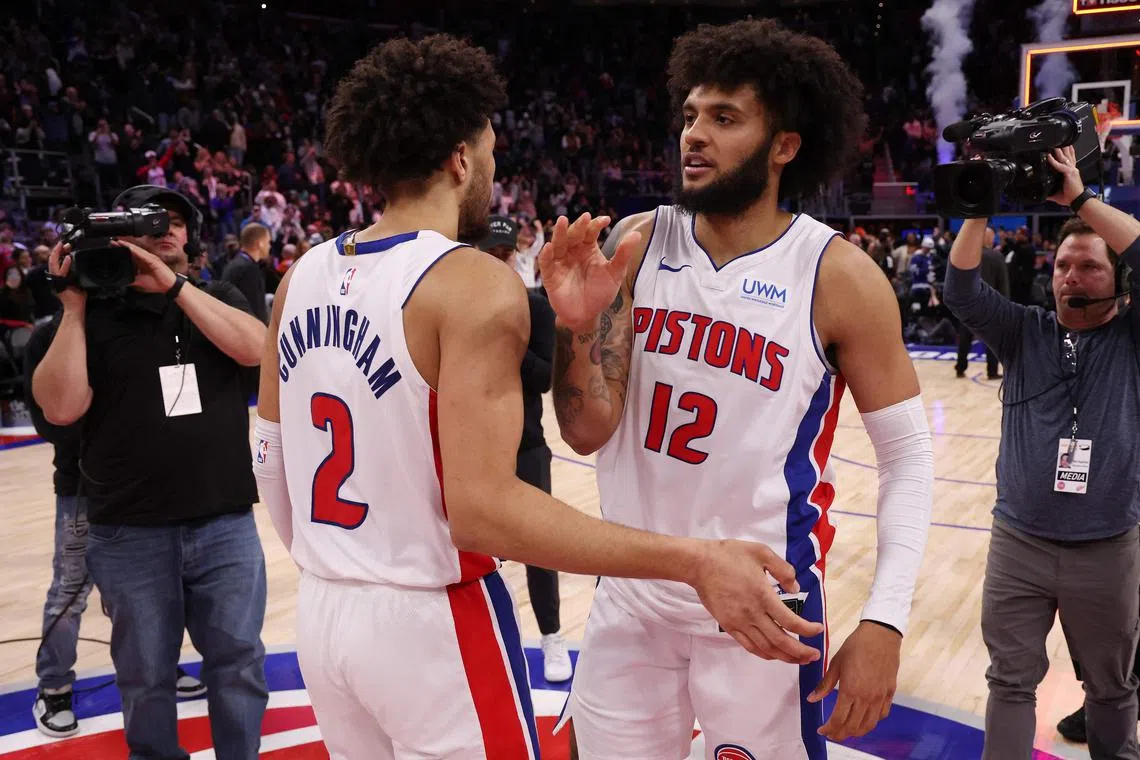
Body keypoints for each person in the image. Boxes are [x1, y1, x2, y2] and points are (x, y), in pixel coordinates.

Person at [250, 33, 822, 760]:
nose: (492, 165)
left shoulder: (300, 275)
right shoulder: (471, 281)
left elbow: (269, 458)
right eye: (488, 148)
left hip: (324, 611)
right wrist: (693, 559)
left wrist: (331, 561)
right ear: (462, 158)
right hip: (430, 623)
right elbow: (485, 512)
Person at [544, 18, 934, 757]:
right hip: (633, 597)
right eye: (690, 115)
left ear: (783, 145)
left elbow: (909, 457)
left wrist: (885, 620)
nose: (694, 134)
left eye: (724, 118)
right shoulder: (636, 241)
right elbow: (586, 430)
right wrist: (577, 329)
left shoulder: (838, 275)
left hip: (764, 610)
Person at [32, 185, 269, 760]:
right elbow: (61, 408)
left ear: (190, 235)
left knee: (239, 664)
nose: (167, 229)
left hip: (224, 522)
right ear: (117, 235)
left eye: (177, 221)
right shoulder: (85, 313)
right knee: (144, 677)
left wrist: (173, 287)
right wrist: (73, 306)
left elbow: (257, 349)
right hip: (129, 532)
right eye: (149, 221)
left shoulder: (216, 295)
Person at [944, 145, 1140, 760]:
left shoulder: (1132, 337)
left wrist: (1079, 200)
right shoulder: (1024, 330)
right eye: (1061, 267)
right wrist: (981, 204)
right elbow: (961, 288)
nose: (1070, 278)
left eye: (1087, 267)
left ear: (1117, 281)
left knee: (1110, 688)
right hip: (1018, 543)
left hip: (1107, 544)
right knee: (1008, 682)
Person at [23, 313, 207, 738]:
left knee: (154, 587)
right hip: (84, 486)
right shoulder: (49, 335)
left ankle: (159, 665)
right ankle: (54, 686)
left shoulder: (144, 320)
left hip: (148, 484)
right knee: (71, 589)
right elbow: (49, 421)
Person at [478, 214, 571, 683]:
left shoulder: (534, 308)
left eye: (503, 253)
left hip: (526, 445)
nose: (498, 261)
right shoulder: (460, 308)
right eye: (489, 254)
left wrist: (508, 340)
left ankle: (552, 635)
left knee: (540, 546)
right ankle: (492, 634)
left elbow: (543, 378)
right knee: (476, 552)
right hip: (473, 446)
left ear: (514, 256)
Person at [954, 226, 1007, 379]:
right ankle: (992, 371)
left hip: (967, 303)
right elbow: (1002, 284)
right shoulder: (996, 256)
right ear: (989, 239)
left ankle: (960, 367)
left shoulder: (965, 255)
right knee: (992, 340)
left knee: (965, 337)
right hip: (989, 304)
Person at [222, 222, 270, 323]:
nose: (269, 246)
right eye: (268, 242)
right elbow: (255, 311)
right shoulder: (249, 269)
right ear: (259, 244)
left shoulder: (235, 263)